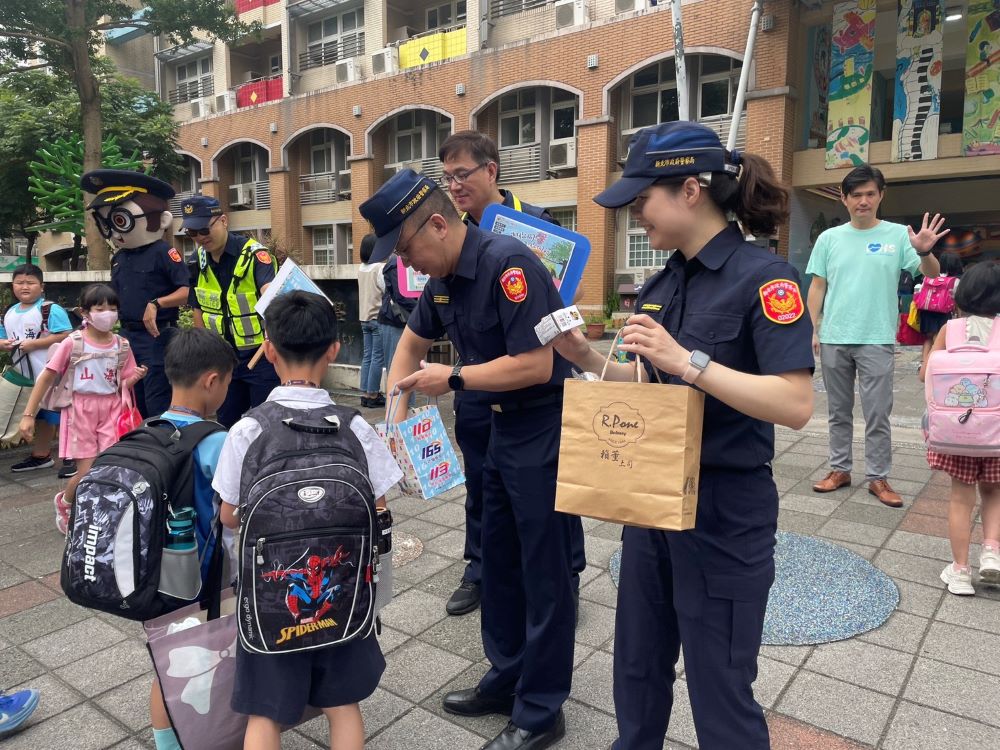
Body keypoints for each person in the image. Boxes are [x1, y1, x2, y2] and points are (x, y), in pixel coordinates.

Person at [552, 121, 814, 749]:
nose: (635, 215)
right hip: (653, 501)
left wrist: (688, 361)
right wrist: (585, 356)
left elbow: (795, 402)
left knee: (720, 688)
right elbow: (650, 385)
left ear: (690, 190)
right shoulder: (662, 282)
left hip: (726, 512)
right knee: (637, 669)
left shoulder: (767, 279)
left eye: (643, 199)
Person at [363, 169, 576, 750]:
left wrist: (453, 377)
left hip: (543, 430)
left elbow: (536, 364)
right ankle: (506, 679)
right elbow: (410, 344)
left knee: (545, 573)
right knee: (498, 563)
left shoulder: (510, 265)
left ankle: (542, 709)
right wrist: (395, 419)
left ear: (437, 224)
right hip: (498, 432)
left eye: (406, 249)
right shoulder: (442, 280)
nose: (406, 263)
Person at [214, 291, 400, 750]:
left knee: (265, 714)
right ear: (334, 349)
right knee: (343, 705)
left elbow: (229, 515)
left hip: (268, 601)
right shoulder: (355, 427)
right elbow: (377, 507)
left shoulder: (248, 430)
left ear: (269, 350)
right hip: (344, 592)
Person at [436, 129, 586, 616]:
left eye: (462, 174)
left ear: (491, 170)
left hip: (537, 383)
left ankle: (567, 573)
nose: (455, 185)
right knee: (481, 484)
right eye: (447, 177)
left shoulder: (536, 226)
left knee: (552, 493)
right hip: (478, 384)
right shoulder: (450, 235)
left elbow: (567, 296)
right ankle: (481, 569)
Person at [807, 164, 946, 507]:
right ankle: (839, 469)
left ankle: (878, 477)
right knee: (838, 410)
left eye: (870, 194)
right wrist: (810, 328)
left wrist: (925, 251)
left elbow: (932, 274)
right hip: (835, 335)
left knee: (878, 412)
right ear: (844, 199)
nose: (864, 201)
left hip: (877, 337)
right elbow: (818, 286)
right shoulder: (829, 239)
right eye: (856, 195)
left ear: (881, 195)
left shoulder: (898, 235)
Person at [147, 327, 236, 750]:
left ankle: (167, 744)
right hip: (204, 576)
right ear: (212, 380)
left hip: (156, 574)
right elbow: (234, 512)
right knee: (210, 656)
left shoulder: (148, 429)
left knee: (165, 665)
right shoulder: (217, 440)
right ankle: (215, 736)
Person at [19, 284, 147, 533]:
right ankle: (66, 502)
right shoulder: (73, 343)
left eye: (112, 308)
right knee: (88, 471)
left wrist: (135, 377)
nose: (107, 314)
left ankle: (102, 514)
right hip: (79, 411)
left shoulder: (121, 345)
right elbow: (46, 377)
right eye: (100, 308)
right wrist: (28, 415)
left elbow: (122, 381)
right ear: (84, 312)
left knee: (110, 466)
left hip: (111, 408)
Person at [81, 170, 189, 419]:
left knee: (156, 398)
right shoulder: (119, 257)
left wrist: (157, 303)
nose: (115, 232)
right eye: (107, 224)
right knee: (130, 397)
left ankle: (160, 441)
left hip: (156, 336)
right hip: (126, 336)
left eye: (120, 221)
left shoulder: (164, 252)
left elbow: (186, 291)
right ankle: (136, 440)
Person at [919, 261, 1000, 596]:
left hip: (957, 433)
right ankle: (992, 553)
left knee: (960, 498)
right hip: (997, 434)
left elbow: (925, 375)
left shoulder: (949, 331)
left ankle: (961, 571)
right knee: (994, 493)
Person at [182, 195, 281, 427]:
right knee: (226, 423)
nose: (200, 238)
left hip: (260, 358)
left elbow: (270, 294)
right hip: (223, 360)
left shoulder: (255, 256)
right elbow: (197, 307)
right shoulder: (196, 261)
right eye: (192, 233)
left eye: (204, 230)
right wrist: (204, 354)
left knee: (267, 424)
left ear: (223, 221)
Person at [0, 264, 73, 473]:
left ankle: (70, 457)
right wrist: (4, 344)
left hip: (52, 374)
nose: (24, 287)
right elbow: (2, 337)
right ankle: (42, 455)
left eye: (30, 283)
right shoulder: (9, 312)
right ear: (12, 286)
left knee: (58, 415)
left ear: (41, 287)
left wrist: (36, 344)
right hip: (24, 377)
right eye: (19, 283)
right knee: (38, 416)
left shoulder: (50, 309)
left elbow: (67, 335)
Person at [918, 250, 963, 373]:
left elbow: (920, 291)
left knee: (928, 337)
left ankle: (924, 363)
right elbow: (957, 300)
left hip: (926, 312)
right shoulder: (955, 281)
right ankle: (934, 363)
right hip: (942, 312)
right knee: (939, 338)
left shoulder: (929, 276)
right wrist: (959, 317)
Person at [357, 233, 386, 408]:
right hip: (377, 318)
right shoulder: (380, 268)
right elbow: (385, 289)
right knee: (377, 358)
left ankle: (365, 393)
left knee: (367, 356)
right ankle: (374, 394)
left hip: (364, 318)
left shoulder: (361, 268)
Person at [377, 254, 417, 377]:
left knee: (409, 368)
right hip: (394, 320)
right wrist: (422, 309)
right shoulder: (395, 263)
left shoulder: (414, 260)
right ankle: (394, 390)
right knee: (396, 367)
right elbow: (401, 296)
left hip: (408, 320)